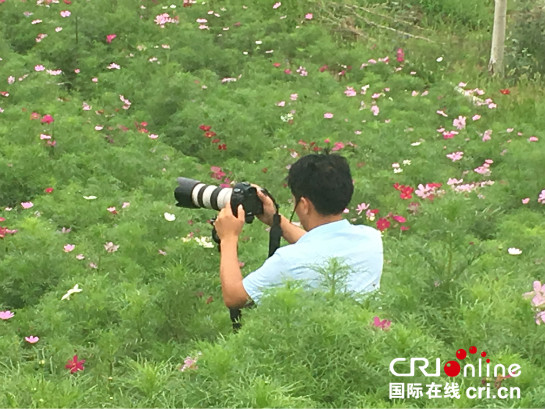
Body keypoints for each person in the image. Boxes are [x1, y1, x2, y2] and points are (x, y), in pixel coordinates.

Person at [213, 153, 383, 309]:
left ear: (304, 205)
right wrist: (276, 220)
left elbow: (234, 296)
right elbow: (321, 248)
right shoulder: (370, 238)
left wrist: (228, 237)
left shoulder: (288, 261)